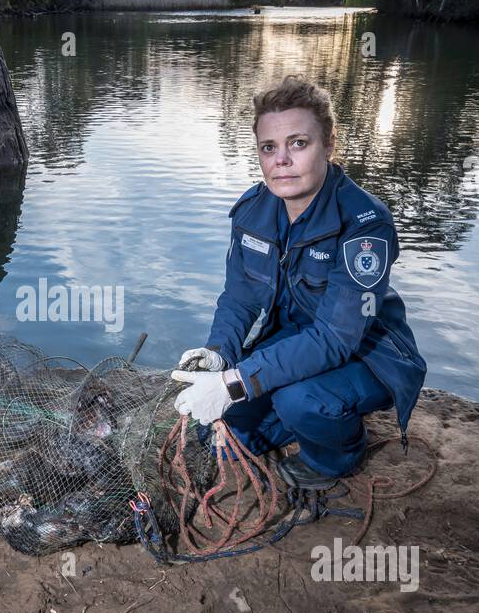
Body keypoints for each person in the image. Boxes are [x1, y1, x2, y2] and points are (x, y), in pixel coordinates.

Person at [171, 75, 426, 486]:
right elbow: (238, 299)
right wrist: (218, 354)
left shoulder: (364, 223)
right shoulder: (253, 210)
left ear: (329, 144)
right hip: (293, 342)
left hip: (366, 353)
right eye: (268, 148)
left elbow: (335, 339)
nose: (281, 160)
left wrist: (237, 382)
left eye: (298, 143)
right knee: (220, 431)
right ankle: (287, 419)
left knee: (300, 400)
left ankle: (339, 456)